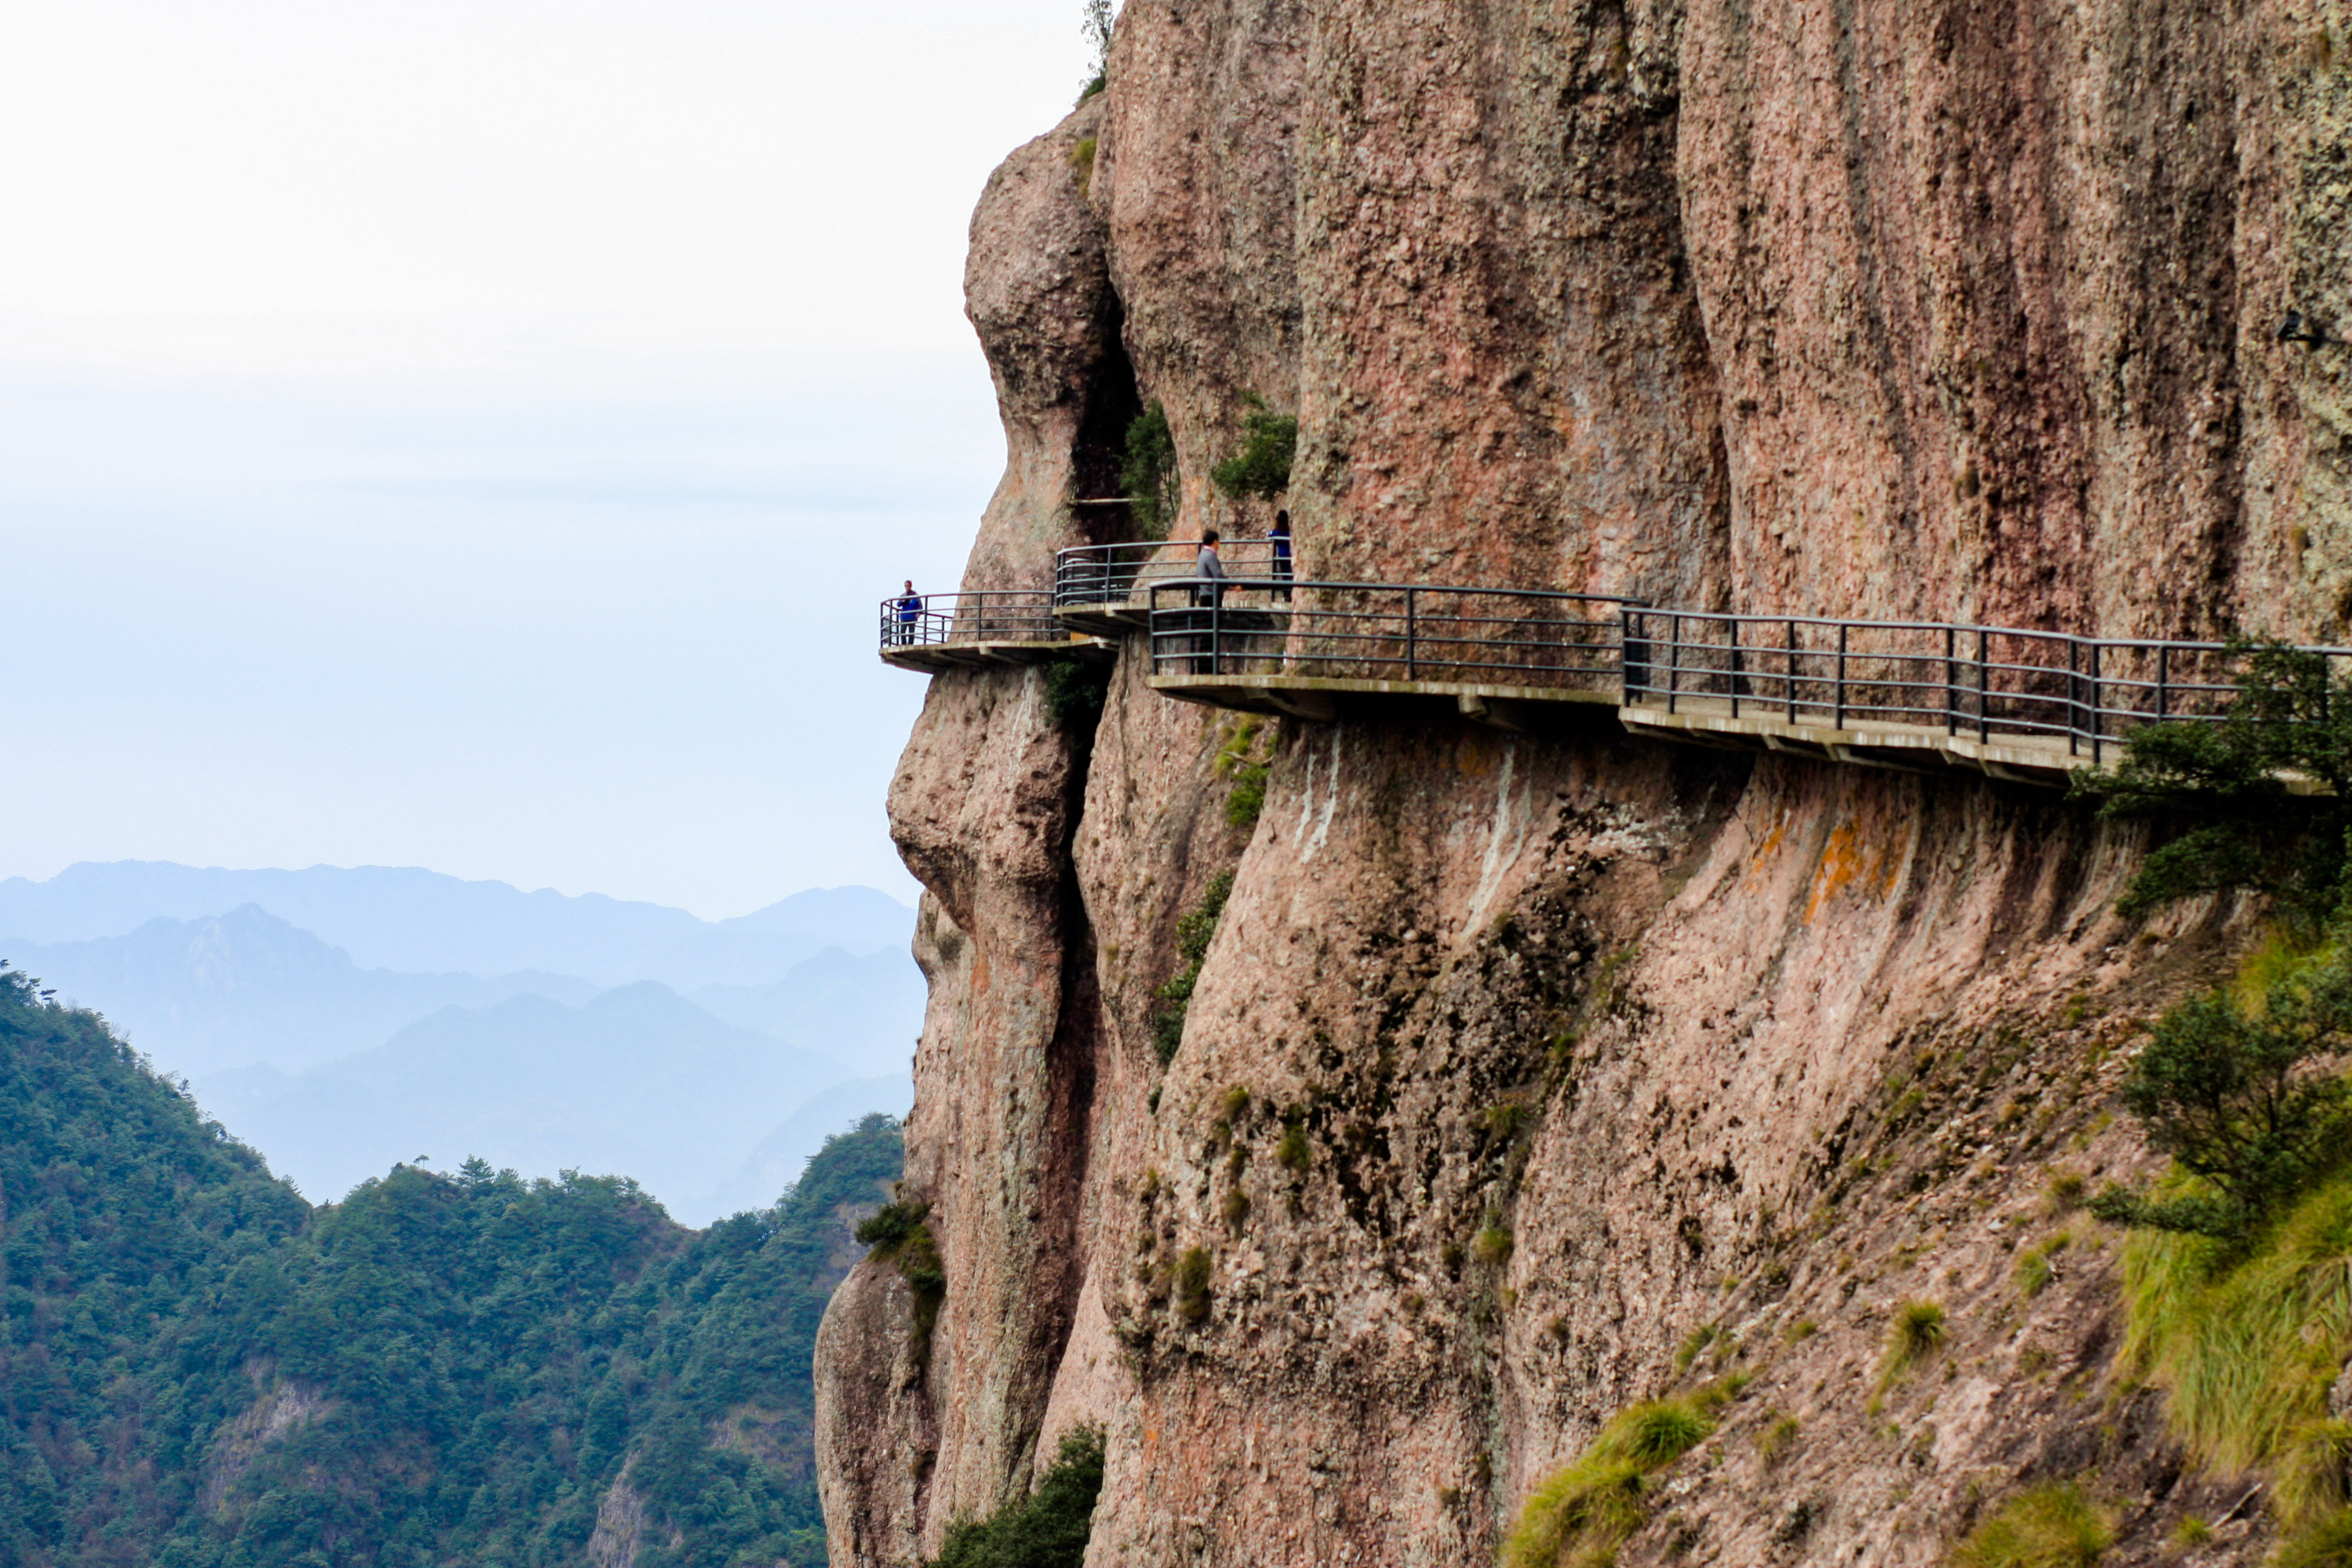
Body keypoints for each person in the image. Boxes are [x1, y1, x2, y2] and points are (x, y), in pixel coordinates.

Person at [1189, 530, 1228, 673]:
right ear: (1215, 541)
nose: (1219, 544)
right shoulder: (1210, 556)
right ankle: (1209, 668)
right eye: (1218, 541)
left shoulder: (1202, 555)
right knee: (1212, 634)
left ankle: (1204, 667)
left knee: (1208, 633)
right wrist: (1231, 585)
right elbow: (1217, 575)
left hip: (1205, 597)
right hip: (1211, 597)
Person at [1267, 509, 1293, 601]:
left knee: (1285, 576)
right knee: (1290, 576)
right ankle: (1291, 595)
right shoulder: (1289, 531)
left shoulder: (1277, 532)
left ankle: (1286, 596)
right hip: (1290, 556)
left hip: (1282, 556)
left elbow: (1269, 534)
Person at [893, 581, 922, 645]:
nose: (907, 587)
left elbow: (920, 606)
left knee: (911, 632)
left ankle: (910, 644)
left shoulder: (915, 596)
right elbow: (898, 604)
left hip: (912, 617)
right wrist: (903, 600)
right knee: (902, 631)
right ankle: (904, 643)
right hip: (904, 616)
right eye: (906, 586)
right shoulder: (903, 595)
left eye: (908, 586)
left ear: (911, 586)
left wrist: (918, 613)